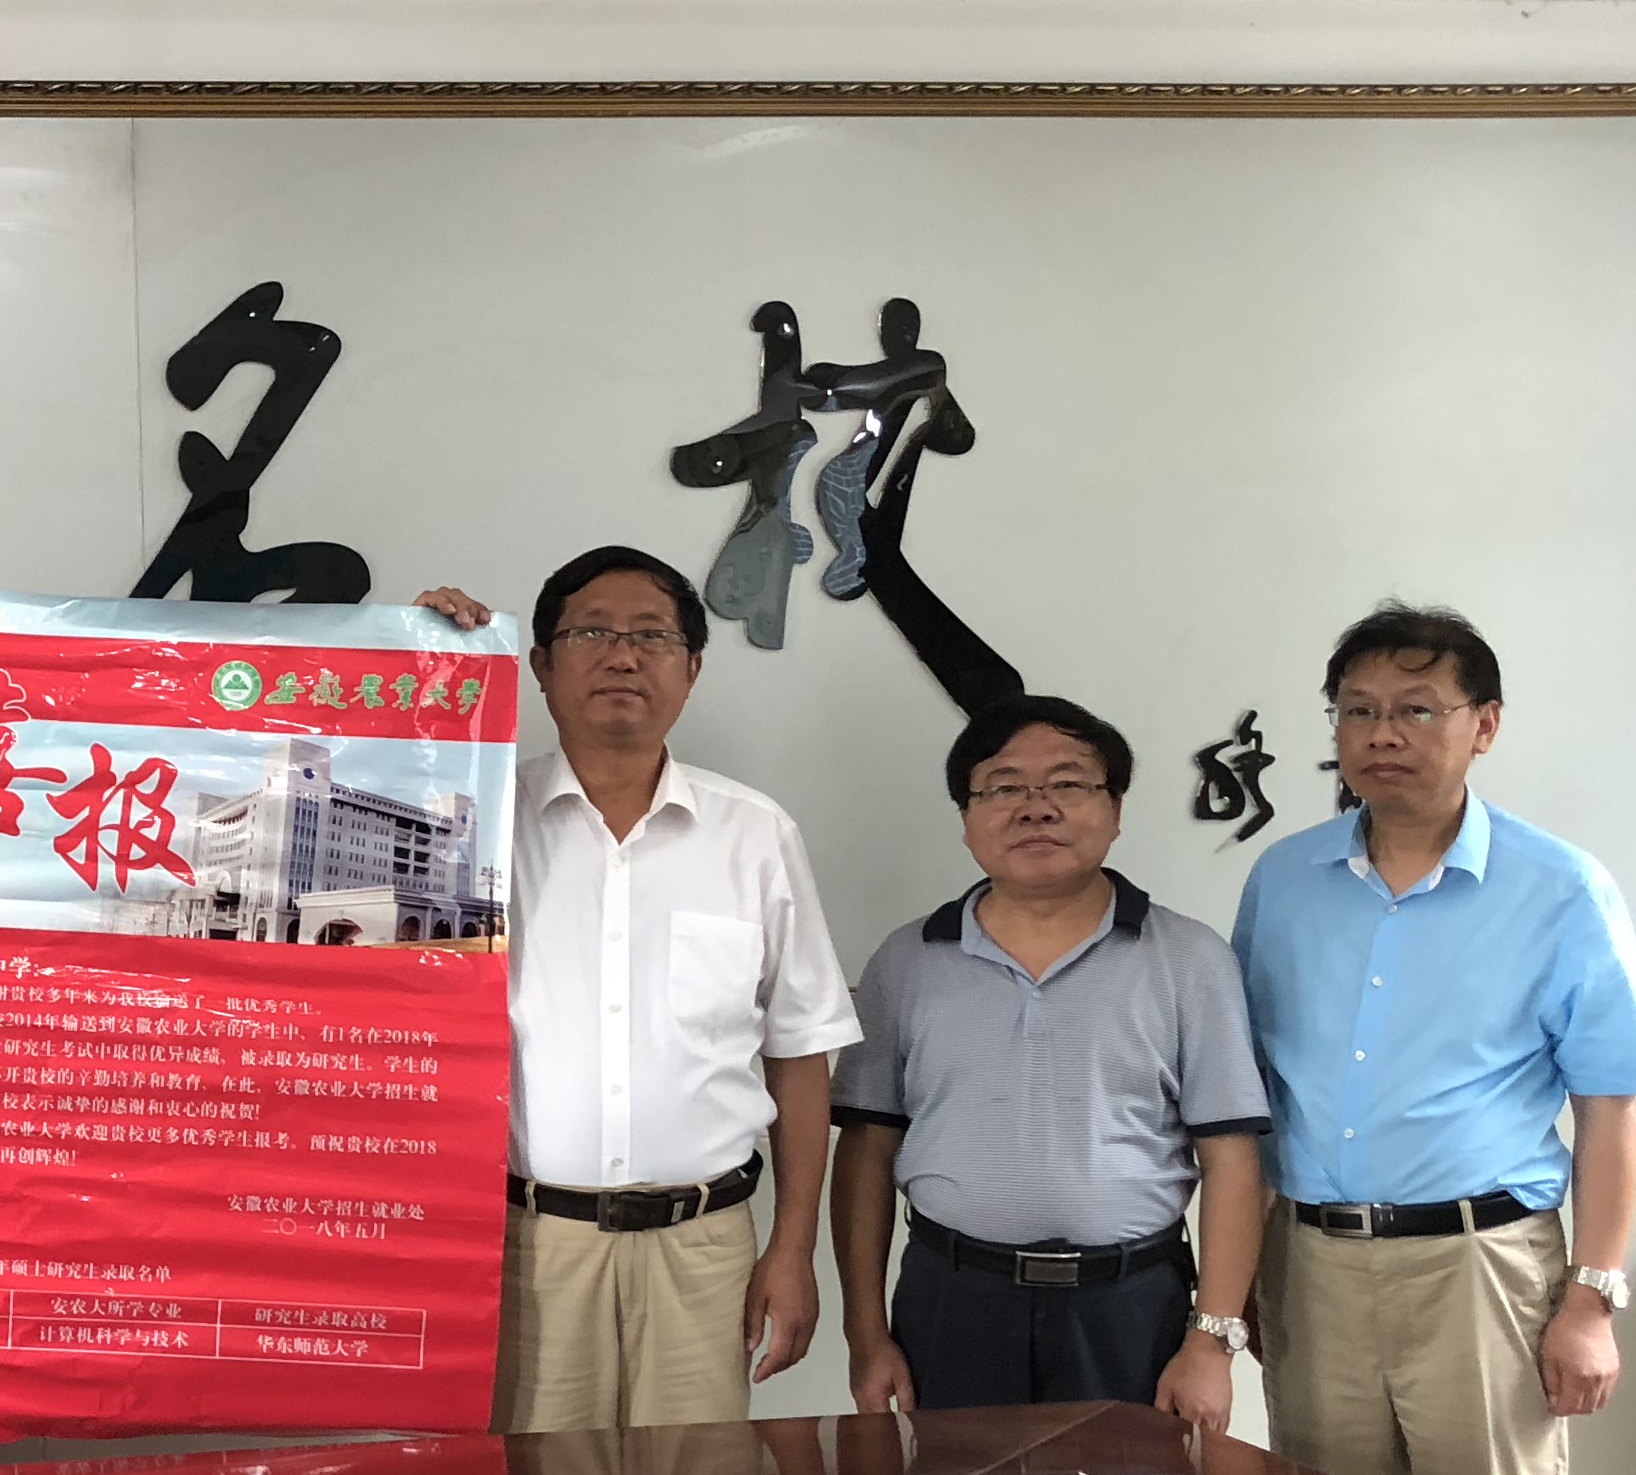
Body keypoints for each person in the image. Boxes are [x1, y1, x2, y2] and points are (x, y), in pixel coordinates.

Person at [1230, 605, 1636, 1475]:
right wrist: (1243, 1281)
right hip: (1311, 1264)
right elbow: (1255, 1096)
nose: (1382, 734)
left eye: (1417, 709)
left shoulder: (1561, 888)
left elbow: (1609, 1109)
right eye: (1358, 711)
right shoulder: (1283, 881)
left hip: (1481, 1267)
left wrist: (1593, 1300)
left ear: (1486, 725)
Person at [413, 551, 858, 1430]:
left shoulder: (754, 835)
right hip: (528, 1246)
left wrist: (793, 1249)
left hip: (705, 1247)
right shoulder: (473, 823)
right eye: (592, 634)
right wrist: (423, 660)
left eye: (652, 637)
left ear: (692, 669)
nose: (623, 656)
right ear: (541, 666)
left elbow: (802, 1052)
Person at [830, 693, 1271, 1421]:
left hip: (1132, 1308)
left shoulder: (1190, 959)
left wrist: (1211, 1344)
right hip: (951, 1302)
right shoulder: (907, 961)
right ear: (967, 819)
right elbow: (867, 1153)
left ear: (1115, 809)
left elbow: (1231, 1160)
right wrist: (866, 1336)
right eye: (1004, 787)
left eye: (1068, 783)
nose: (1036, 808)